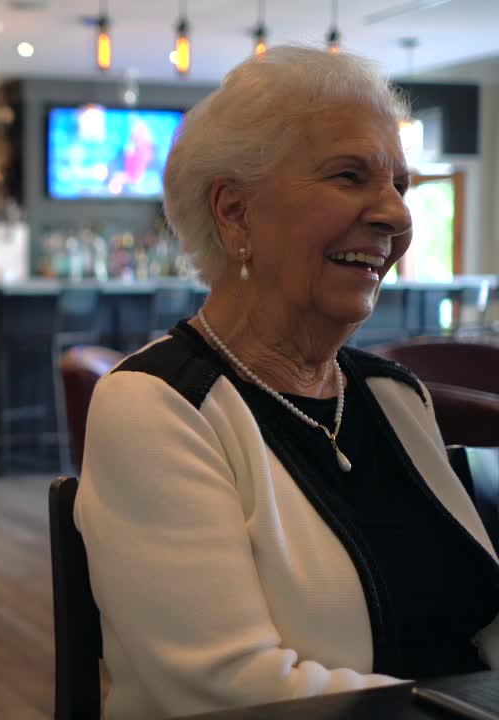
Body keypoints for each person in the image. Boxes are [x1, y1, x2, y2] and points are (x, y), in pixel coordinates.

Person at [75, 45, 499, 720]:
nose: (395, 214)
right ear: (235, 212)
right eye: (350, 176)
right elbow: (228, 687)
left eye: (401, 185)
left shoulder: (396, 397)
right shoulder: (157, 407)